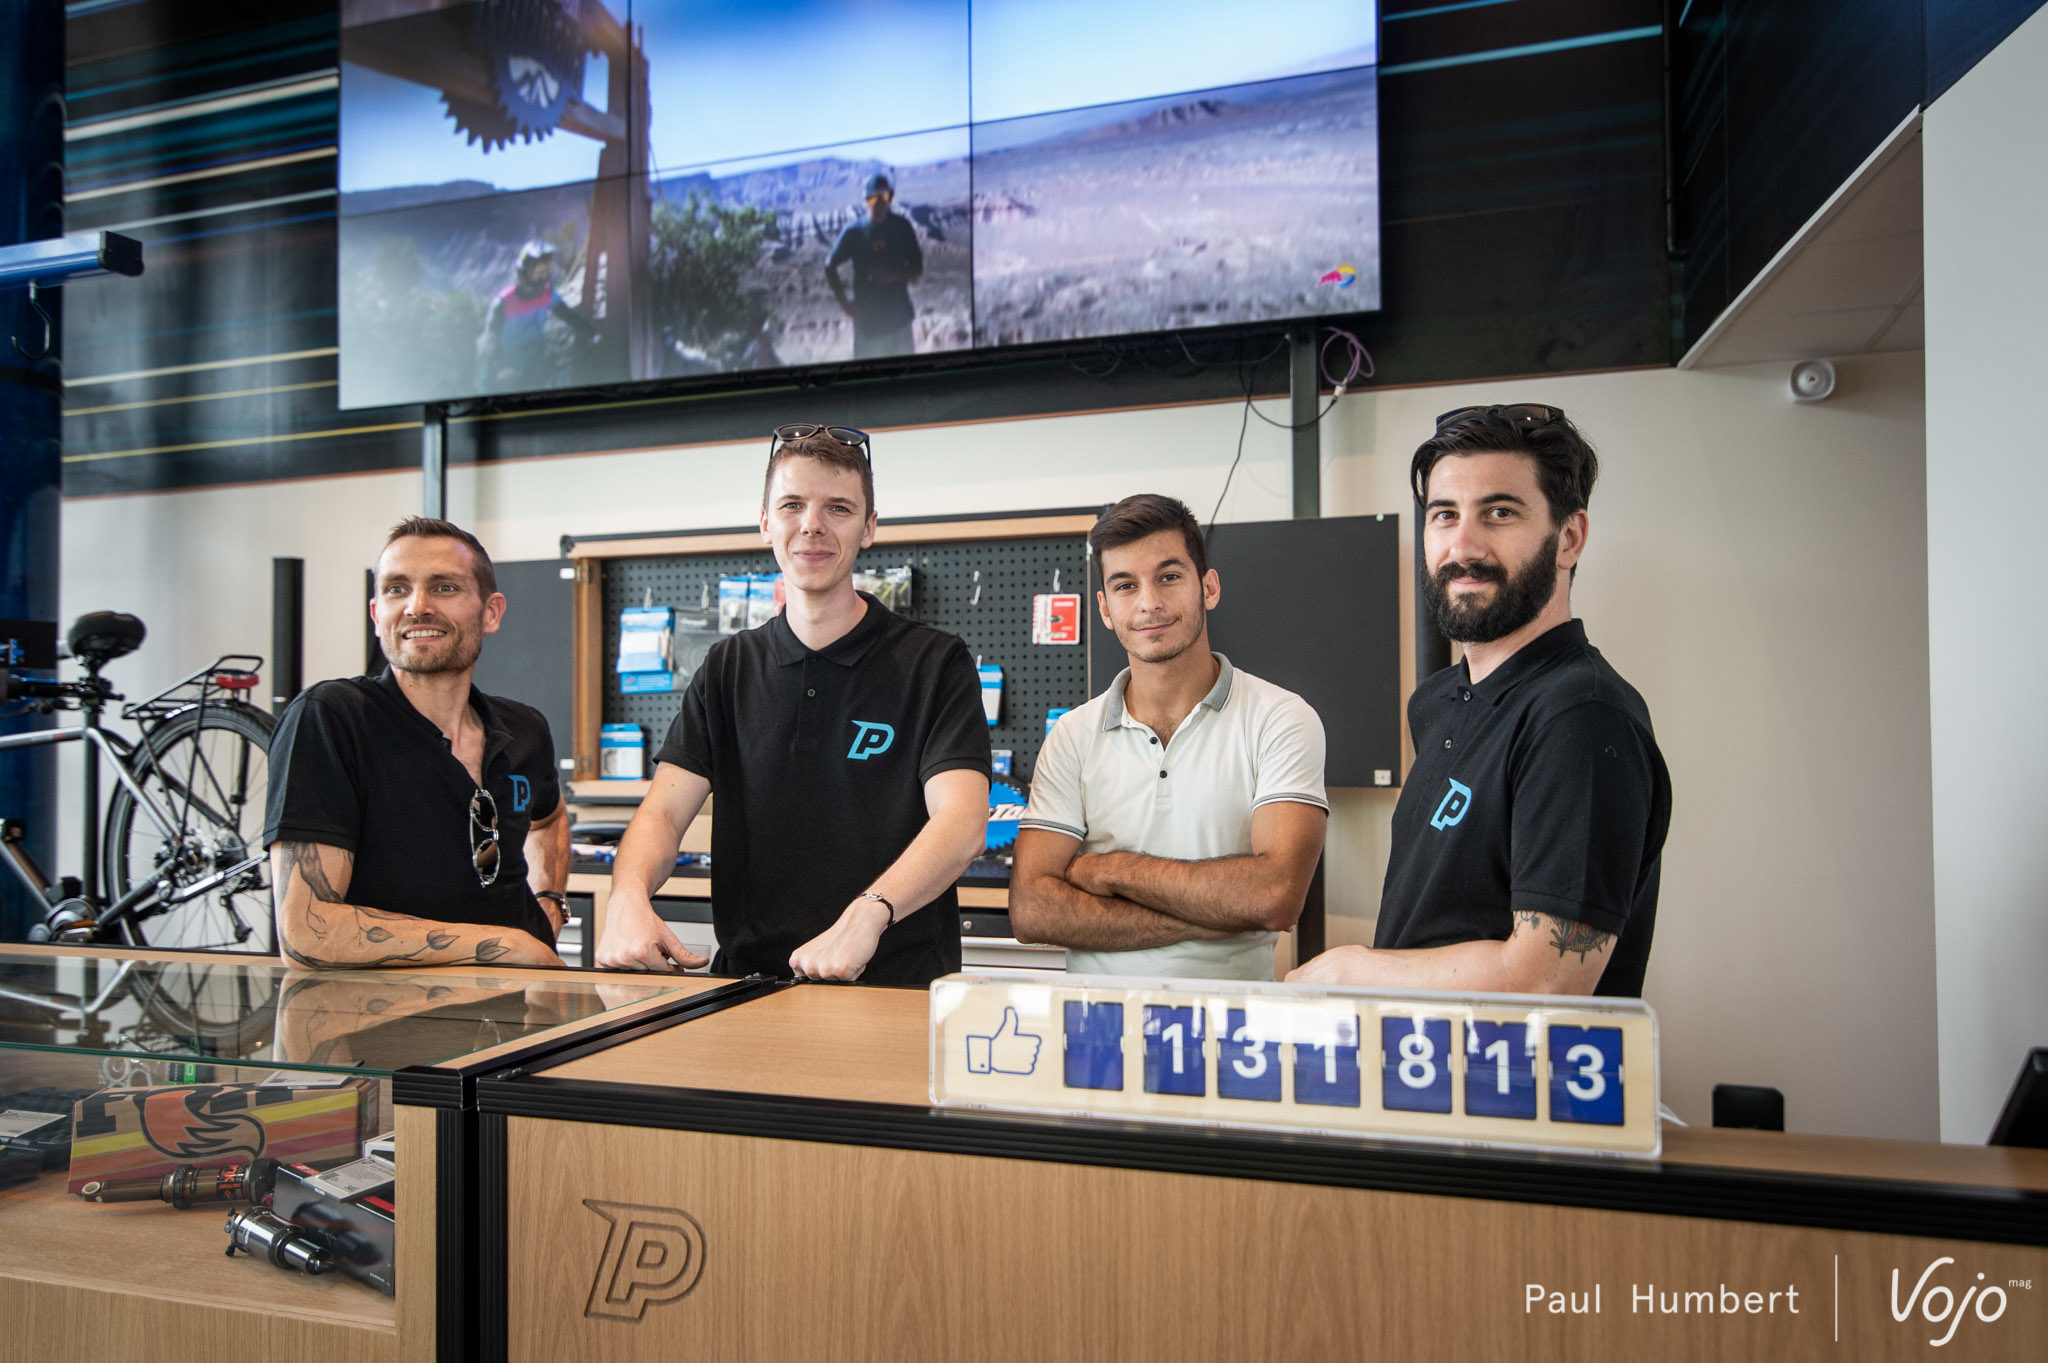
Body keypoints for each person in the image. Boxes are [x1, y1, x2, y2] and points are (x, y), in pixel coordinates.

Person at [1288, 405, 1670, 997]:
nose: (1462, 546)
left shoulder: (1581, 715)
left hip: (1519, 1061)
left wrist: (1352, 971)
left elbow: (1548, 979)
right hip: (1422, 1053)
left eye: (1499, 512)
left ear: (1569, 538)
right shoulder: (1438, 702)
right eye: (1445, 515)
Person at [595, 424, 990, 984]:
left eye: (838, 508)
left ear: (869, 528)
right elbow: (662, 813)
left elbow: (962, 822)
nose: (812, 525)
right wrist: (627, 894)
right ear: (766, 523)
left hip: (894, 988)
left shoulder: (934, 663)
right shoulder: (726, 668)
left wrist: (869, 913)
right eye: (792, 505)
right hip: (748, 987)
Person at [1010, 495, 1329, 981]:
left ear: (1208, 587)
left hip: (1230, 1022)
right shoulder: (1072, 735)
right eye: (1125, 585)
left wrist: (1107, 870)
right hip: (1096, 1020)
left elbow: (1274, 896)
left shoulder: (1280, 718)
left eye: (1169, 577)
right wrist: (1212, 916)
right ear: (1105, 609)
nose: (1149, 603)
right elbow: (1033, 910)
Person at [263, 517, 570, 970]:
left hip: (523, 1002)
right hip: (391, 1012)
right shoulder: (331, 718)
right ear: (376, 615)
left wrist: (550, 901)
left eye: (444, 588)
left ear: (491, 612)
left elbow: (549, 819)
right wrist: (508, 945)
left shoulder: (525, 729)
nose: (417, 607)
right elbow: (308, 932)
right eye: (397, 589)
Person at [476, 239, 596, 393]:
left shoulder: (547, 295)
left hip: (529, 369)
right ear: (525, 271)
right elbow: (491, 340)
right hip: (500, 376)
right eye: (539, 272)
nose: (543, 277)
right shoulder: (503, 302)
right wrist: (502, 368)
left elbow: (569, 316)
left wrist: (593, 333)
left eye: (546, 271)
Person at [825, 174, 923, 360]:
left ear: (890, 198)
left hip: (899, 321)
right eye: (873, 199)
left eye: (884, 197)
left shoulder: (902, 227)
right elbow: (829, 265)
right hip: (869, 327)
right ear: (865, 200)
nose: (879, 204)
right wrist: (846, 305)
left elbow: (917, 268)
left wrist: (893, 276)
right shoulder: (854, 232)